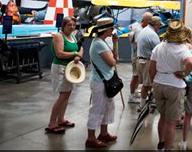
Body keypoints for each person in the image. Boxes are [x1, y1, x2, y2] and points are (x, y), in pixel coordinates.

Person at [149, 19, 192, 151]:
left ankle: (161, 144)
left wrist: (154, 82)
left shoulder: (159, 47)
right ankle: (168, 149)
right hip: (175, 86)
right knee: (171, 122)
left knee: (162, 117)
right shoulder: (182, 49)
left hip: (159, 83)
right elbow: (191, 64)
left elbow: (151, 69)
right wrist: (184, 73)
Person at [46, 16, 83, 134]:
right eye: (69, 25)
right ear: (63, 25)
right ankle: (52, 123)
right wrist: (75, 53)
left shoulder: (72, 36)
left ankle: (61, 119)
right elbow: (60, 54)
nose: (72, 27)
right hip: (60, 68)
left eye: (73, 25)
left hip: (70, 68)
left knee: (67, 94)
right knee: (63, 95)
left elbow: (80, 48)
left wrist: (78, 55)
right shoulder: (58, 36)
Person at [85, 18, 119, 149]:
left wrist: (115, 43)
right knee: (97, 109)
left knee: (108, 107)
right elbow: (113, 62)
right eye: (112, 29)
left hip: (106, 81)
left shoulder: (102, 42)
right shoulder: (99, 44)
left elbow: (115, 59)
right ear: (107, 30)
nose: (113, 31)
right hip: (100, 82)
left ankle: (103, 133)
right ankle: (91, 138)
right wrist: (114, 58)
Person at [136, 16, 164, 111]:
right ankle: (142, 105)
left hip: (140, 60)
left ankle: (145, 104)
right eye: (159, 26)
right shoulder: (152, 34)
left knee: (146, 84)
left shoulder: (144, 30)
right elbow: (159, 50)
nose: (159, 28)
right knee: (147, 85)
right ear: (156, 25)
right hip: (147, 61)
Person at [127, 12, 153, 104]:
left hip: (136, 55)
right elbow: (139, 45)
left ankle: (133, 93)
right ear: (146, 20)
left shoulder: (136, 26)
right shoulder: (139, 30)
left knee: (137, 76)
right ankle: (131, 95)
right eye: (151, 20)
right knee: (135, 75)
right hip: (137, 56)